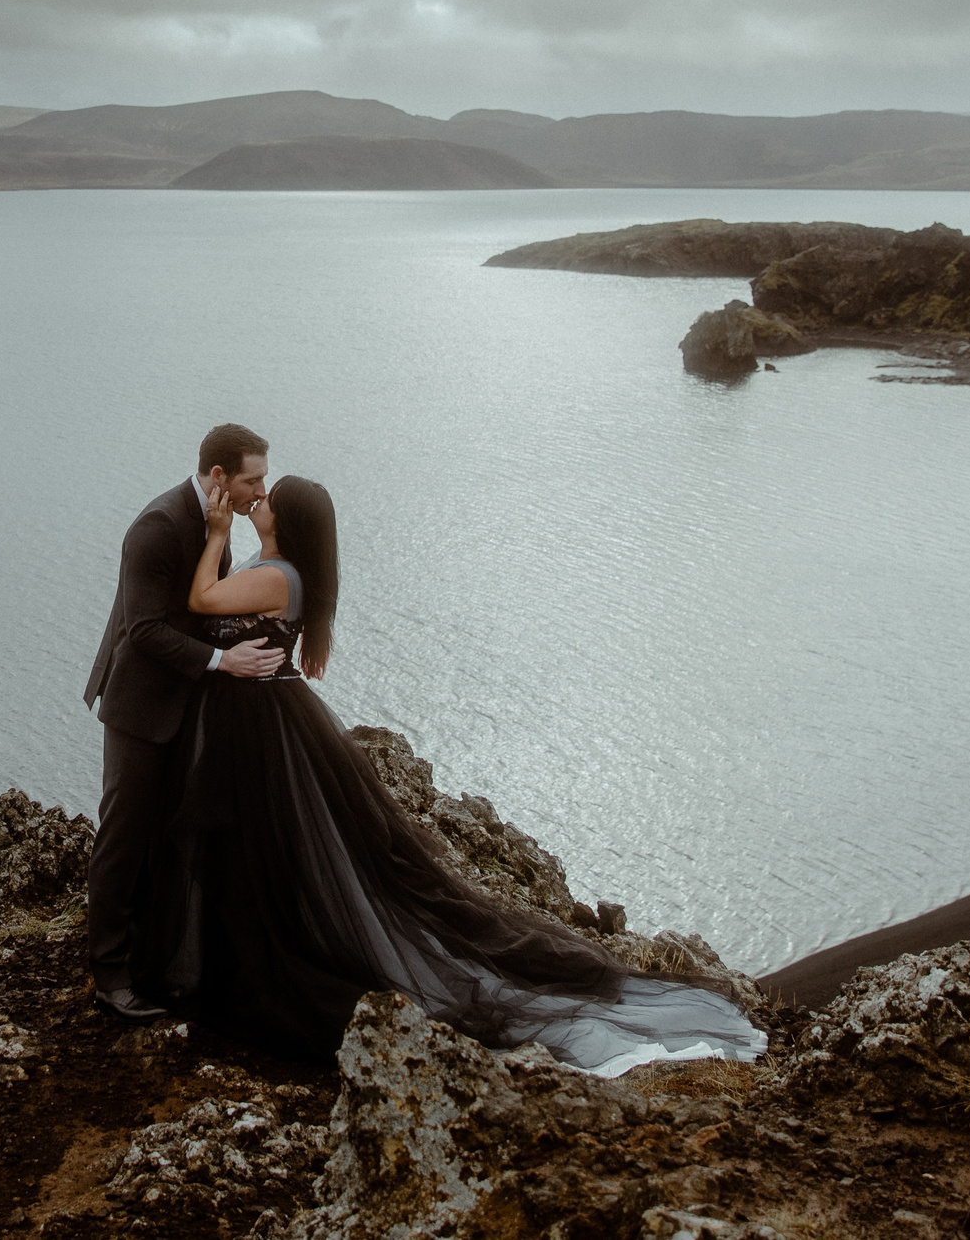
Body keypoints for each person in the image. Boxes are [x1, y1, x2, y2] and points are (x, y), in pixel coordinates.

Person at [134, 473, 768, 1074]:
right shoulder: (270, 566)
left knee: (288, 859)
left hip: (266, 729)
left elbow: (199, 600)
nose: (262, 496)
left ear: (286, 519)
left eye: (273, 495)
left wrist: (216, 533)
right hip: (252, 724)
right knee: (263, 856)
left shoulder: (280, 576)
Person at [81, 423, 288, 1021]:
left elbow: (206, 603)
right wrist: (224, 661)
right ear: (219, 476)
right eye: (253, 478)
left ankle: (152, 960)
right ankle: (109, 978)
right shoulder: (158, 525)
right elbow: (142, 629)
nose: (260, 489)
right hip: (141, 708)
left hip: (185, 704)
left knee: (166, 837)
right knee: (123, 837)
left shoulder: (217, 523)